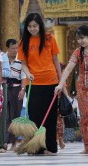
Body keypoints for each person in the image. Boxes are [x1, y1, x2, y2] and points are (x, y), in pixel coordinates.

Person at [20, 13, 61, 155]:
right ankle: (37, 147)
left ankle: (50, 147)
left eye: (35, 26)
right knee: (35, 116)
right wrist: (28, 74)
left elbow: (56, 60)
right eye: (30, 26)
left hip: (51, 81)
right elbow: (23, 64)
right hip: (33, 83)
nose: (32, 29)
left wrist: (61, 81)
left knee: (50, 117)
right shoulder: (24, 42)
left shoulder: (50, 39)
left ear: (40, 26)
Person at [55, 25, 88, 154]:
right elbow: (68, 68)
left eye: (83, 38)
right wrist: (60, 84)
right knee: (84, 117)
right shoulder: (78, 52)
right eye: (78, 39)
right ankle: (87, 146)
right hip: (82, 89)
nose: (80, 41)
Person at [2, 38, 25, 150]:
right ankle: (5, 141)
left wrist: (23, 89)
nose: (15, 50)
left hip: (17, 89)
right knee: (5, 115)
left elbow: (24, 76)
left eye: (17, 48)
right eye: (13, 48)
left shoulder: (20, 59)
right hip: (5, 88)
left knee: (15, 116)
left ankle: (14, 142)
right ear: (8, 48)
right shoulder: (2, 59)